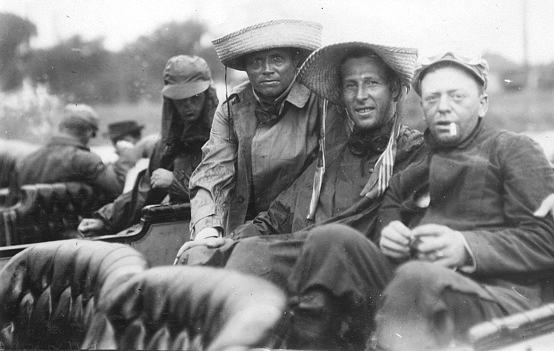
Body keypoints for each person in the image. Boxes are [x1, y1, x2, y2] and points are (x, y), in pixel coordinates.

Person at [283, 53, 554, 349]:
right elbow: (393, 197)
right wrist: (391, 229)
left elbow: (549, 243)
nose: (443, 108)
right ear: (423, 108)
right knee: (328, 240)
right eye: (432, 99)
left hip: (500, 298)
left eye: (456, 97)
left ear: (482, 103)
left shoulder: (512, 149)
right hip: (417, 290)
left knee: (416, 276)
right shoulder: (425, 160)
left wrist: (466, 247)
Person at [176, 20, 347, 259]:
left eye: (277, 59)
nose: (267, 69)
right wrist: (207, 231)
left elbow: (327, 177)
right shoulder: (232, 107)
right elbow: (213, 172)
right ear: (245, 67)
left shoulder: (321, 101)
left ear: (296, 61)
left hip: (303, 228)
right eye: (256, 61)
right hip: (241, 230)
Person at [77, 55, 219, 236]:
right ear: (170, 102)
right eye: (180, 99)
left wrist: (175, 182)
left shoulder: (225, 135)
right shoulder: (168, 144)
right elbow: (144, 191)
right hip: (180, 231)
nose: (188, 105)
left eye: (195, 97)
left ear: (208, 96)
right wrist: (104, 219)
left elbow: (227, 191)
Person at [14, 103, 131, 201]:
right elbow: (119, 189)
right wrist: (126, 153)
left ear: (61, 128)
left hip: (28, 227)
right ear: (89, 132)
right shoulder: (85, 159)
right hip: (78, 227)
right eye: (93, 134)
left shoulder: (26, 160)